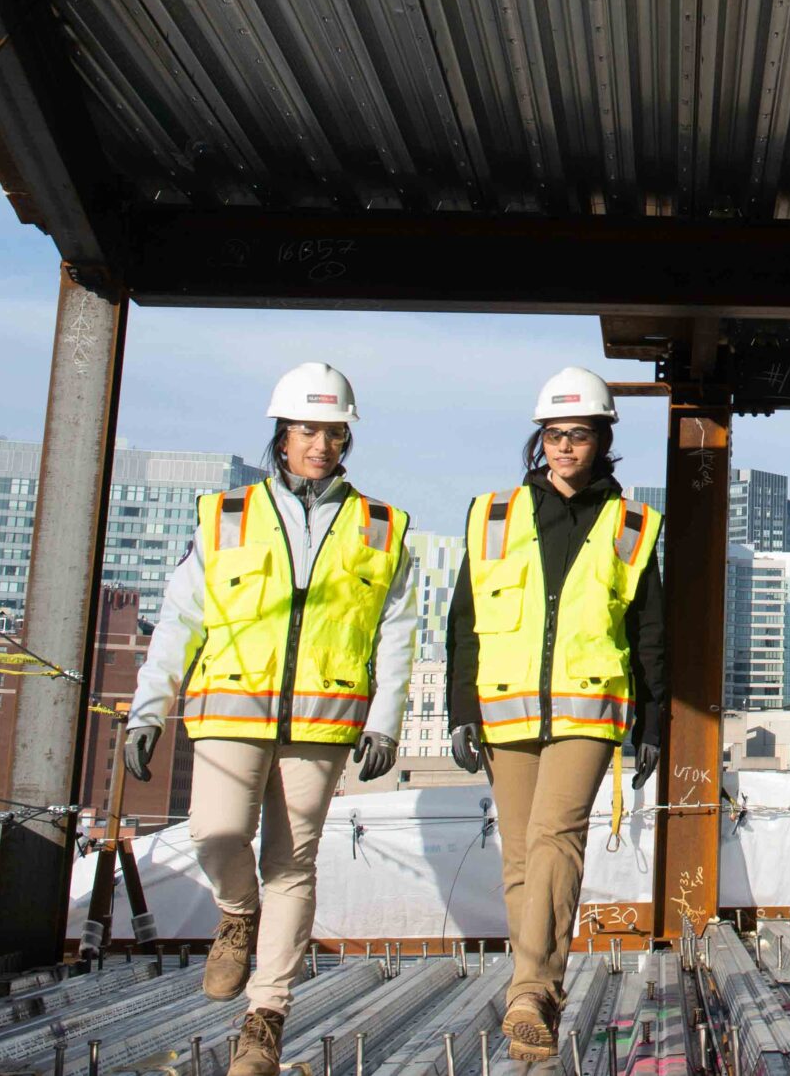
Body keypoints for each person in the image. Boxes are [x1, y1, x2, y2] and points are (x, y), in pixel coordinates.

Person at [122, 364, 416, 1076]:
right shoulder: (225, 515)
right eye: (307, 429)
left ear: (347, 437)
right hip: (229, 708)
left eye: (333, 431)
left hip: (322, 720)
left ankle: (265, 1015)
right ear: (282, 434)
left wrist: (386, 719)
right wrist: (148, 708)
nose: (320, 442)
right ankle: (235, 912)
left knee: (294, 864)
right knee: (216, 831)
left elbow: (398, 629)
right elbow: (179, 620)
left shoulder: (380, 526)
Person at [446, 367, 666, 1060]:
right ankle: (533, 993)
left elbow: (649, 631)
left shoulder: (631, 525)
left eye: (577, 435)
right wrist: (460, 706)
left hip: (586, 712)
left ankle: (530, 988)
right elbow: (465, 621)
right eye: (553, 434)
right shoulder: (495, 516)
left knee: (553, 836)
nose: (564, 447)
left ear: (602, 440)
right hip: (504, 710)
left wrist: (652, 719)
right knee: (519, 858)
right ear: (540, 440)